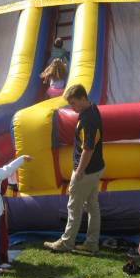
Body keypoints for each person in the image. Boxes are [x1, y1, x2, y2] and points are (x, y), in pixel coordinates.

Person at [44, 84, 105, 253]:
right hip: (96, 169)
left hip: (86, 171)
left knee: (74, 207)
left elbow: (89, 148)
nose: (72, 107)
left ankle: (67, 242)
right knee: (93, 206)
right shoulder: (92, 109)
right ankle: (92, 243)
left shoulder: (88, 120)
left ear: (83, 98)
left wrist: (79, 171)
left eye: (73, 103)